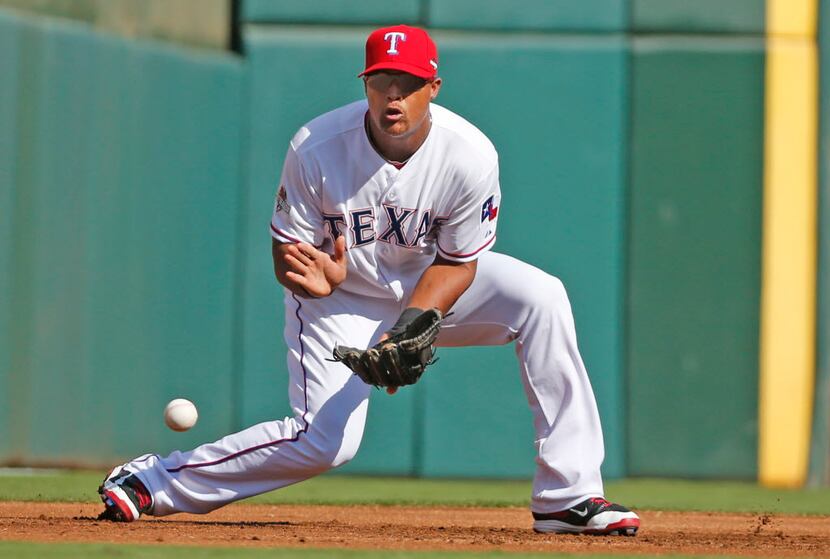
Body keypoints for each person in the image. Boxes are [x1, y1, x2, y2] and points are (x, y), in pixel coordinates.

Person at [98, 24, 640, 536]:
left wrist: (412, 325)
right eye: (382, 81)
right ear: (366, 84)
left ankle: (567, 497)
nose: (393, 96)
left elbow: (457, 262)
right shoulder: (315, 147)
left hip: (429, 286)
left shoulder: (470, 156)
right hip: (343, 298)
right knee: (326, 444)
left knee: (542, 298)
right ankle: (153, 481)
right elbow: (287, 252)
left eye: (407, 83)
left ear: (434, 87)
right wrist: (313, 277)